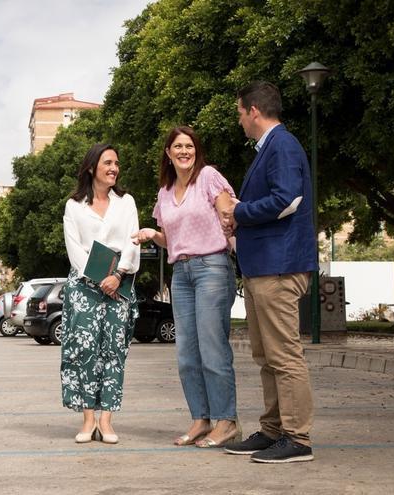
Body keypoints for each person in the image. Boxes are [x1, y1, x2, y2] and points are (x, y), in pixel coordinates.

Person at [219, 81, 317, 463]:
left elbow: (287, 199)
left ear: (253, 110)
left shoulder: (284, 145)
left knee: (284, 355)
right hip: (264, 267)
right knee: (266, 355)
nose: (240, 120)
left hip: (280, 266)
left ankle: (297, 438)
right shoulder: (270, 148)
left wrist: (238, 212)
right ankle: (274, 431)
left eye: (240, 112)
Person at [131, 126, 240, 449]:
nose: (183, 151)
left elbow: (228, 211)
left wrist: (228, 216)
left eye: (188, 146)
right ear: (168, 153)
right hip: (182, 273)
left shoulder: (208, 177)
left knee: (212, 348)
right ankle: (201, 419)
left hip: (212, 268)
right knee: (186, 354)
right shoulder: (165, 192)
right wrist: (153, 235)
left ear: (196, 150)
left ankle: (226, 421)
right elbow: (172, 238)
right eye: (177, 146)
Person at [61, 143, 140, 445]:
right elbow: (75, 249)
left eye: (117, 163)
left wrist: (117, 276)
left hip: (119, 284)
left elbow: (133, 242)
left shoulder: (126, 202)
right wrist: (99, 278)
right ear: (92, 167)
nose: (114, 168)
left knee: (114, 352)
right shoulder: (73, 205)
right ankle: (87, 420)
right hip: (84, 287)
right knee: (83, 352)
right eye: (108, 162)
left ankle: (106, 421)